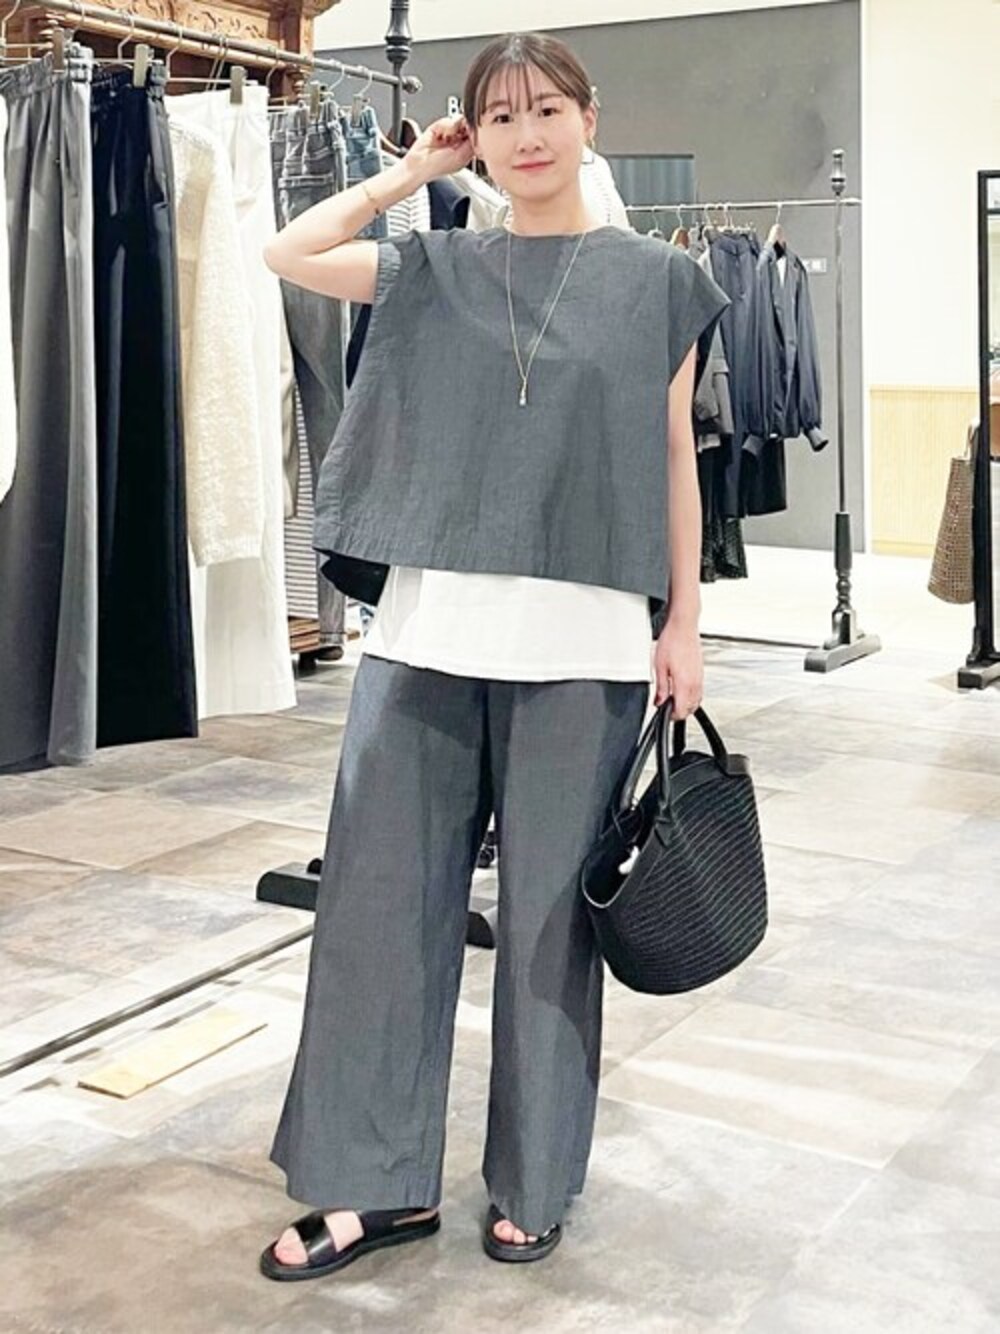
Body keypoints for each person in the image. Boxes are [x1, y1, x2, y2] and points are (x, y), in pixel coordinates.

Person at [258, 31, 728, 1280]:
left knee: (548, 929)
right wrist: (413, 173)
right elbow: (287, 251)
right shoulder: (434, 265)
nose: (525, 135)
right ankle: (369, 1185)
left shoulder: (659, 282)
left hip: (583, 649)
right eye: (501, 115)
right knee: (375, 914)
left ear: (588, 118)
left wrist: (683, 623)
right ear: (475, 132)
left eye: (546, 110)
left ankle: (532, 1177)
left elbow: (673, 458)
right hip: (422, 640)